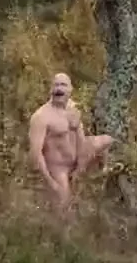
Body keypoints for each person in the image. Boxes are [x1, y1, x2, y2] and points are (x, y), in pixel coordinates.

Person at [28, 72, 113, 207]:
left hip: (77, 157)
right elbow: (35, 154)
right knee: (64, 206)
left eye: (63, 85)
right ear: (50, 89)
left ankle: (101, 176)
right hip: (58, 167)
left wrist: (80, 167)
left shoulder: (74, 108)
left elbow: (80, 138)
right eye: (56, 85)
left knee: (107, 141)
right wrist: (51, 183)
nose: (59, 89)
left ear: (70, 89)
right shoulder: (41, 117)